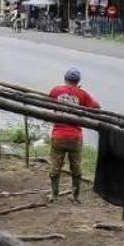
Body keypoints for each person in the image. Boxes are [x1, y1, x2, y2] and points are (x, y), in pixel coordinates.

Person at [47, 68, 100, 203]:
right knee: (75, 166)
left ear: (65, 79)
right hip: (75, 137)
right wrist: (80, 93)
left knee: (55, 165)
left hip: (58, 135)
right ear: (78, 81)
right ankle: (75, 196)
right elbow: (97, 107)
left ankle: (54, 195)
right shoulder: (82, 94)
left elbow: (49, 103)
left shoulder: (56, 90)